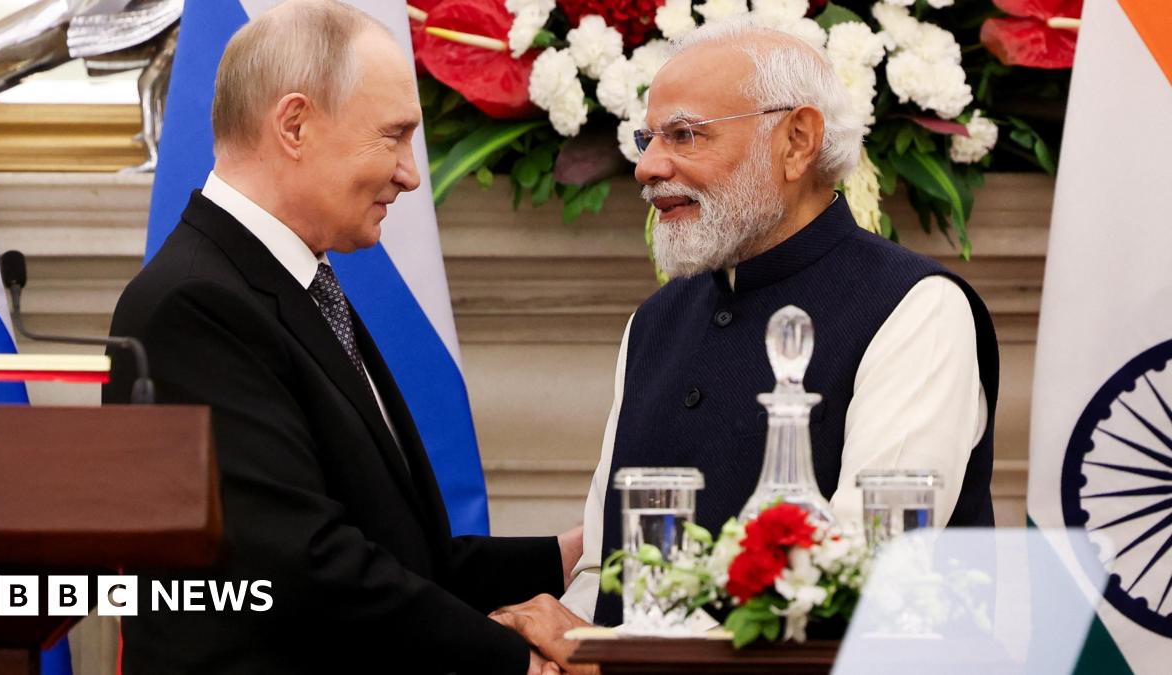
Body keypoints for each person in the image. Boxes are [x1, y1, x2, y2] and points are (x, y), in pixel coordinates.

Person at [104, 2, 578, 673]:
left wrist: (570, 555)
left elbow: (396, 547)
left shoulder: (289, 279)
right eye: (393, 136)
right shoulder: (193, 305)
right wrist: (517, 663)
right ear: (295, 124)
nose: (412, 173)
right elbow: (307, 564)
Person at [553, 19, 999, 630]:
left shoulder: (917, 307)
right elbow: (606, 568)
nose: (648, 167)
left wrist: (618, 646)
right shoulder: (654, 321)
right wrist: (555, 629)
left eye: (684, 135)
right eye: (647, 139)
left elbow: (862, 571)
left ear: (796, 141)